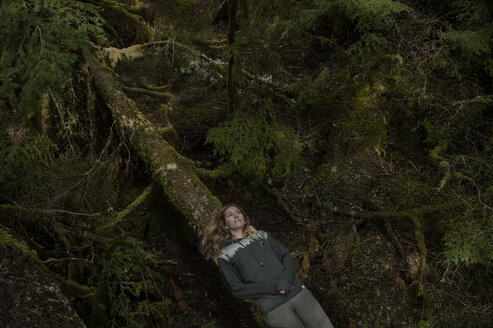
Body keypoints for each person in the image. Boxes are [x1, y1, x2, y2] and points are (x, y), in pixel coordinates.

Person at [200, 204, 334, 328]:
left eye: (238, 212)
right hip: (274, 309)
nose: (236, 215)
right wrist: (275, 286)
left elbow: (285, 256)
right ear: (225, 226)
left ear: (244, 218)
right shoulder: (224, 256)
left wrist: (286, 280)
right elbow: (238, 289)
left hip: (298, 293)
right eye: (230, 215)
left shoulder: (262, 235)